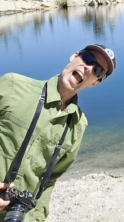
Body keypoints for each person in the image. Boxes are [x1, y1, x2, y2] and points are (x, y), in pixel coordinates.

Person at [0, 44, 117, 221]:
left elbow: (50, 180)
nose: (89, 68)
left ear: (95, 83)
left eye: (98, 71)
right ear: (74, 56)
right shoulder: (13, 86)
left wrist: (38, 216)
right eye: (88, 59)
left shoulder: (77, 125)